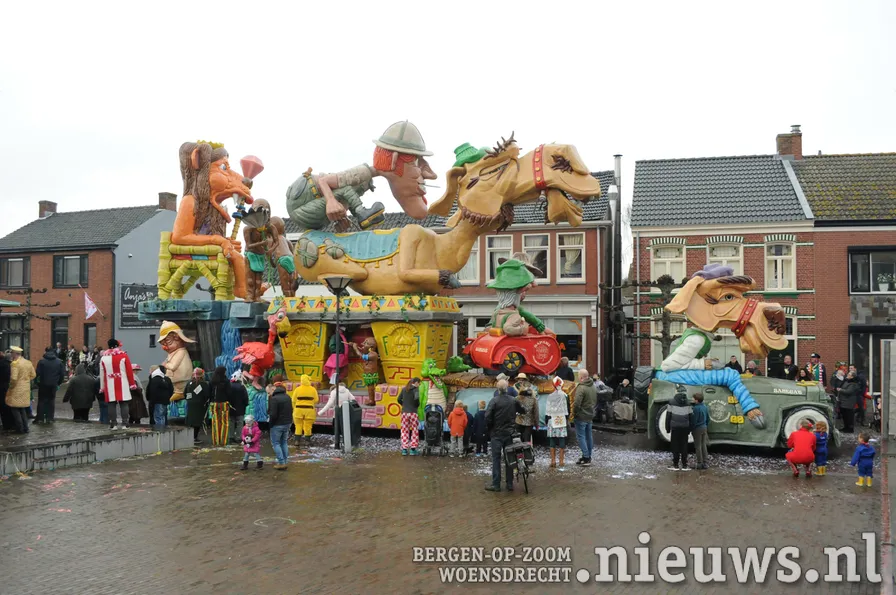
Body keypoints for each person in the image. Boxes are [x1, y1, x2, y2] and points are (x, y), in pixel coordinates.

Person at [484, 378, 527, 492]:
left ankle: (496, 484)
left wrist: (491, 428)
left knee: (496, 459)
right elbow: (523, 410)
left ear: (498, 389)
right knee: (509, 458)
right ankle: (509, 484)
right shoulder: (513, 400)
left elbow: (487, 416)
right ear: (507, 388)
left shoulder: (494, 401)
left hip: (496, 433)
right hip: (510, 433)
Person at [98, 339, 138, 430]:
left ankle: (113, 424)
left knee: (111, 404)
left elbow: (102, 374)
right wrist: (132, 384)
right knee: (124, 404)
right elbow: (129, 371)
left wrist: (102, 387)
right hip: (123, 383)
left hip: (109, 384)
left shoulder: (103, 358)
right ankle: (125, 423)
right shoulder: (124, 356)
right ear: (117, 346)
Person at [5, 346, 35, 434]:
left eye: (12, 353)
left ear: (15, 354)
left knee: (15, 409)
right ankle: (26, 428)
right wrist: (25, 380)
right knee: (22, 408)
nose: (11, 354)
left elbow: (14, 378)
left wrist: (11, 386)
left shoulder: (15, 364)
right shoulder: (28, 362)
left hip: (16, 389)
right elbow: (33, 375)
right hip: (25, 388)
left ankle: (20, 429)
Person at [665, 384, 694, 470]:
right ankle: (684, 465)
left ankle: (675, 464)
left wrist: (667, 428)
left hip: (675, 427)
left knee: (675, 445)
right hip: (685, 427)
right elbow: (691, 417)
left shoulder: (671, 402)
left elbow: (668, 416)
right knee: (684, 446)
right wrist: (690, 429)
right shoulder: (688, 403)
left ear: (677, 392)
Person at [572, 369, 597, 466]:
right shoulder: (593, 386)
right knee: (589, 436)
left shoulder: (581, 387)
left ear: (581, 377)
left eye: (578, 376)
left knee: (581, 436)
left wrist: (574, 413)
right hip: (590, 414)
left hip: (581, 416)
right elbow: (595, 400)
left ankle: (586, 457)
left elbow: (577, 403)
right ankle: (588, 455)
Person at [35, 346, 65, 424]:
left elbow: (37, 374)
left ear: (45, 352)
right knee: (51, 401)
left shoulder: (41, 361)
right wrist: (58, 383)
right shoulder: (59, 362)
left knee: (41, 401)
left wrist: (37, 383)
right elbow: (62, 375)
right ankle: (50, 418)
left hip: (43, 384)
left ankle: (40, 419)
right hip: (53, 385)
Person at [267, 379, 292, 470]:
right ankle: (285, 461)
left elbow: (273, 414)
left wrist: (270, 424)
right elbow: (291, 409)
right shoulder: (287, 397)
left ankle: (281, 462)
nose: (268, 394)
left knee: (276, 443)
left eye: (268, 392)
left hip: (277, 424)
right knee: (284, 442)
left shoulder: (274, 399)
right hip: (287, 423)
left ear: (273, 390)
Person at [545, 376, 570, 469]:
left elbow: (547, 409)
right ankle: (561, 461)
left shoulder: (550, 396)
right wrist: (567, 419)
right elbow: (568, 409)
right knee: (562, 439)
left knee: (552, 439)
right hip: (562, 419)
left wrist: (546, 420)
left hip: (552, 419)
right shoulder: (565, 396)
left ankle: (553, 461)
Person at [290, 374, 318, 447]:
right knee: (308, 426)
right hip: (309, 410)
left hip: (298, 410)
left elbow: (293, 400)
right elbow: (316, 400)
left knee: (298, 425)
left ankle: (297, 441)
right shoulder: (313, 389)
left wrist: (294, 408)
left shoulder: (297, 389)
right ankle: (307, 441)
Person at [184, 368, 210, 445]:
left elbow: (185, 393)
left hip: (190, 404)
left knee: (191, 421)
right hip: (200, 405)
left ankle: (190, 437)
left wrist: (189, 400)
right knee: (198, 422)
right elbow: (207, 395)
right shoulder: (204, 384)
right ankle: (194, 437)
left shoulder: (189, 383)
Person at [396, 377, 421, 456]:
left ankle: (404, 449)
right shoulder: (416, 390)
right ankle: (413, 449)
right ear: (416, 382)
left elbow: (398, 399)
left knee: (404, 430)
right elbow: (417, 401)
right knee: (414, 430)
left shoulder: (404, 389)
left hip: (404, 413)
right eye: (419, 383)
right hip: (413, 413)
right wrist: (416, 406)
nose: (419, 385)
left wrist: (404, 405)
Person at [514, 374, 538, 445]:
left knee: (521, 439)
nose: (520, 381)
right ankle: (526, 450)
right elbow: (536, 412)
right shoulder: (533, 399)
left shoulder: (517, 398)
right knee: (526, 440)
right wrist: (536, 424)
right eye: (519, 379)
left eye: (522, 379)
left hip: (519, 421)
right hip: (528, 422)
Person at [229, 372, 249, 442]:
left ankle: (230, 437)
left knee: (231, 422)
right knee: (239, 423)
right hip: (240, 408)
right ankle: (238, 437)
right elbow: (245, 398)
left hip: (231, 408)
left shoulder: (229, 386)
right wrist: (245, 404)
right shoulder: (242, 386)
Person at [691, 392, 709, 470]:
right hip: (704, 427)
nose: (692, 400)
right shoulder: (705, 407)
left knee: (698, 446)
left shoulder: (695, 408)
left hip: (697, 429)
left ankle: (699, 463)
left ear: (696, 400)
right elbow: (708, 418)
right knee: (703, 445)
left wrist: (691, 428)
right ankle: (705, 463)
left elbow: (694, 421)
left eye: (693, 399)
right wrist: (705, 425)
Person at [0, 350, 13, 431]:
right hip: (7, 387)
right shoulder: (9, 365)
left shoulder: (3, 364)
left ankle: (6, 424)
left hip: (2, 387)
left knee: (3, 406)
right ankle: (9, 424)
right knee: (7, 406)